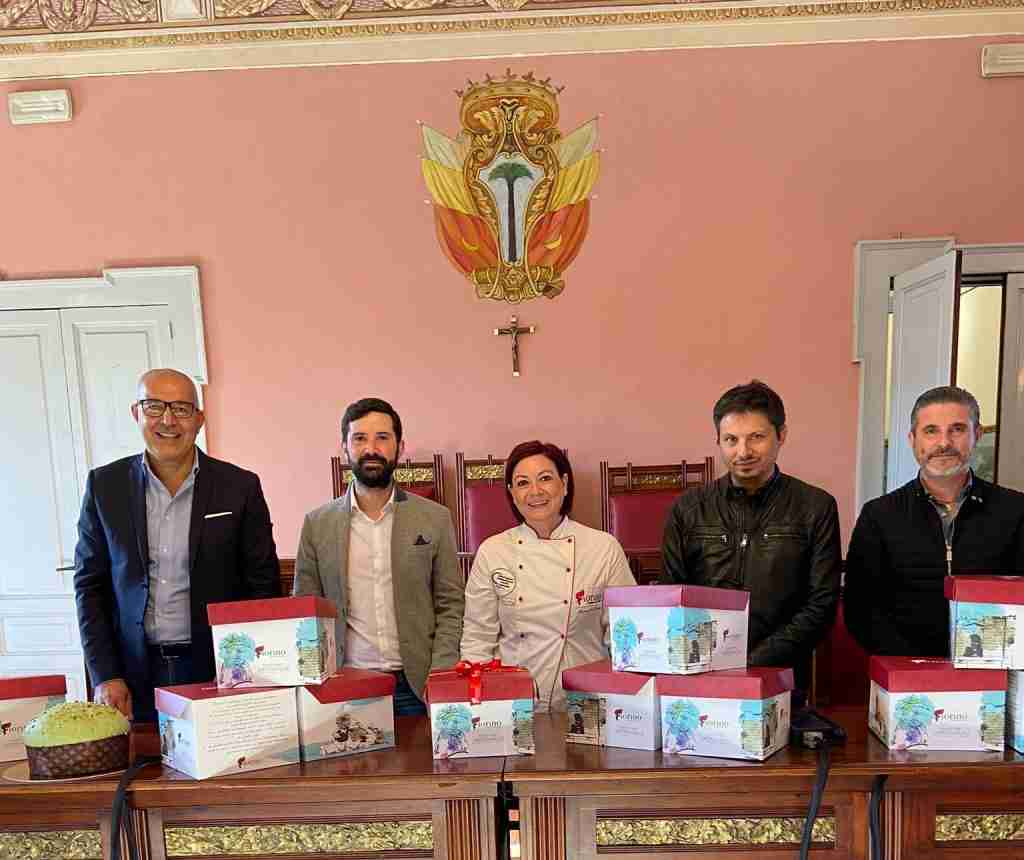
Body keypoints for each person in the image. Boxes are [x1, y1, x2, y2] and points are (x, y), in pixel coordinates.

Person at [74, 369, 281, 722]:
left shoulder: (240, 487)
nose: (168, 420)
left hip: (219, 670)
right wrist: (105, 674)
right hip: (132, 675)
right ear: (136, 413)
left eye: (182, 409)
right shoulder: (104, 486)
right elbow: (89, 586)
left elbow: (263, 585)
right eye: (154, 406)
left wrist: (255, 671)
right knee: (143, 759)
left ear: (199, 419)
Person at [661, 380, 841, 693]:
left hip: (783, 676)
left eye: (756, 437)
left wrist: (754, 661)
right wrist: (711, 659)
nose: (743, 452)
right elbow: (671, 595)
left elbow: (822, 604)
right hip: (701, 674)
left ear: (781, 435)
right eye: (731, 439)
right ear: (718, 440)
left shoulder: (815, 507)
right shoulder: (687, 509)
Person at [293, 397, 463, 716]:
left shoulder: (435, 518)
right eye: (359, 438)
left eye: (382, 437)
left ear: (400, 447)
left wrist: (441, 674)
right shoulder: (317, 524)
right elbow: (306, 609)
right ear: (344, 448)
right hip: (347, 686)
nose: (371, 449)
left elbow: (451, 604)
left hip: (417, 686)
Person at [844, 385, 1024, 657]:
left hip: (995, 670)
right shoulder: (879, 516)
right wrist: (916, 666)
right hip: (906, 671)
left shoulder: (1016, 511)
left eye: (957, 429)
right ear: (912, 439)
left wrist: (984, 661)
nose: (944, 443)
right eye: (931, 431)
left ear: (977, 435)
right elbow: (860, 610)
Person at [460, 441, 636, 712]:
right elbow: (478, 636)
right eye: (523, 483)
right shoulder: (493, 551)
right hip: (513, 701)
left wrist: (630, 704)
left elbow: (624, 633)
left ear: (564, 484)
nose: (535, 491)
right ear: (512, 493)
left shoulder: (603, 548)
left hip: (586, 701)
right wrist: (480, 705)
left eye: (545, 478)